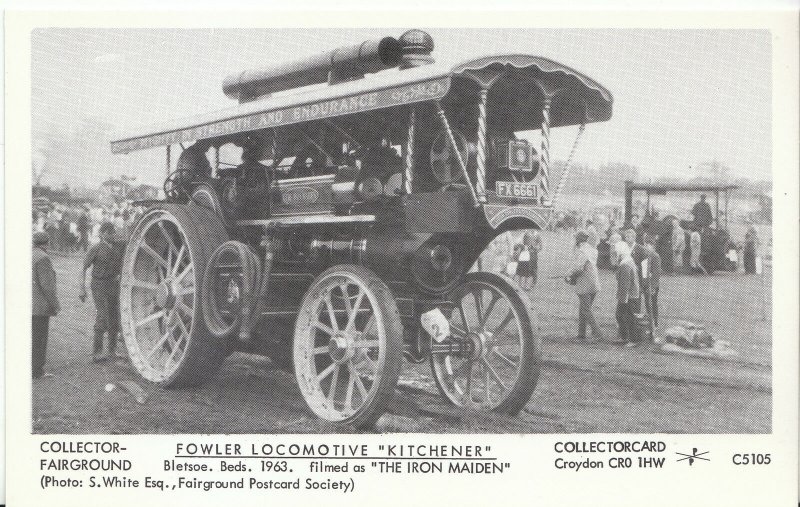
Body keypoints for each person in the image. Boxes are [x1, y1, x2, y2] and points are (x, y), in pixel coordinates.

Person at [80, 222, 123, 362]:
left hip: (113, 284)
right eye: (110, 232)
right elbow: (83, 268)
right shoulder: (96, 248)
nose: (113, 235)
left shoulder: (118, 247)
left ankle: (112, 350)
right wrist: (82, 289)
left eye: (114, 232)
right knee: (103, 316)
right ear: (102, 233)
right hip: (98, 284)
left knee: (115, 317)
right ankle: (97, 352)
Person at [566, 231, 603, 343]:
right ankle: (581, 334)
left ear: (578, 240)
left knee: (585, 309)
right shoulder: (590, 249)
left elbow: (578, 268)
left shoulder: (582, 250)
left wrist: (568, 275)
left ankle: (597, 334)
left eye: (575, 238)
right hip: (593, 282)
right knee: (584, 309)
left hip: (585, 282)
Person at [33, 232, 60, 378]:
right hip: (39, 307)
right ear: (47, 243)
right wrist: (55, 304)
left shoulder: (29, 255)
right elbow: (47, 286)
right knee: (39, 339)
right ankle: (37, 371)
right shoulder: (43, 258)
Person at [614, 242, 641, 346]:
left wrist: (623, 300)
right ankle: (625, 337)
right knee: (621, 315)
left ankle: (632, 340)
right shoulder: (628, 262)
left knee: (627, 316)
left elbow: (625, 284)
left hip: (628, 296)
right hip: (630, 295)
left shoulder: (625, 265)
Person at [643, 234, 662, 328]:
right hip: (645, 283)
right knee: (647, 302)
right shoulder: (644, 255)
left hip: (653, 284)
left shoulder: (655, 256)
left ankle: (655, 321)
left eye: (648, 245)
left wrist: (653, 287)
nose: (646, 246)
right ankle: (650, 320)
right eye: (645, 245)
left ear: (653, 246)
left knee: (653, 303)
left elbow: (657, 273)